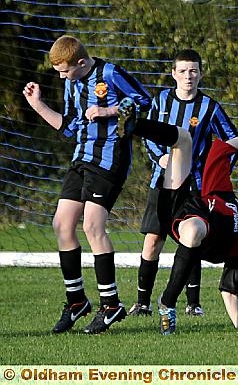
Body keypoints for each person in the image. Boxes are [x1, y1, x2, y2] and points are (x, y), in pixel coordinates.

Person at [23, 35, 151, 334]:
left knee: (92, 226)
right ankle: (76, 301)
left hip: (109, 159)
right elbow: (69, 128)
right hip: (81, 158)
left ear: (81, 62)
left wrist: (110, 110)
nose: (62, 76)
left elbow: (145, 101)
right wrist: (38, 104)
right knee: (62, 225)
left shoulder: (109, 73)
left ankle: (111, 304)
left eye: (65, 71)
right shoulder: (71, 83)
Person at [117, 107, 238, 335]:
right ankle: (134, 124)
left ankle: (167, 302)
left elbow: (230, 288)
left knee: (195, 229)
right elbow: (222, 150)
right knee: (184, 138)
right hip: (178, 207)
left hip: (194, 231)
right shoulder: (226, 194)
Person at [129, 49, 238, 317]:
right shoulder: (162, 100)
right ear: (173, 74)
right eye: (183, 71)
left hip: (195, 187)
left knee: (190, 238)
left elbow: (231, 142)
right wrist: (161, 157)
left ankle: (193, 303)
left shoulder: (209, 107)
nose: (188, 76)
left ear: (201, 73)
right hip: (163, 183)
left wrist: (218, 174)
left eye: (193, 71)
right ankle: (142, 304)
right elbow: (148, 135)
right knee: (153, 240)